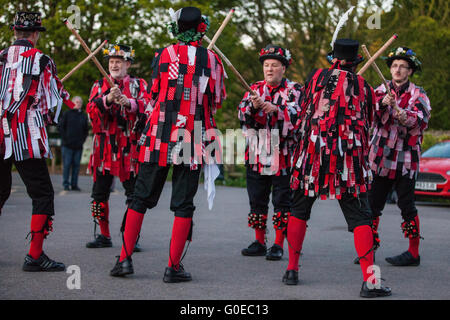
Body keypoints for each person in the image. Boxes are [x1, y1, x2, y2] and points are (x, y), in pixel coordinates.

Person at [109, 6, 226, 283]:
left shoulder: (162, 55)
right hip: (193, 137)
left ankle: (124, 260)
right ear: (201, 29)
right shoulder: (212, 59)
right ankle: (173, 267)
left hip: (159, 134)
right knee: (183, 204)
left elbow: (153, 94)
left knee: (140, 197)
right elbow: (217, 100)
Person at [285, 39, 391, 298]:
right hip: (348, 160)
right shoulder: (364, 88)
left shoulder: (314, 77)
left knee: (299, 209)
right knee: (360, 218)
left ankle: (291, 269)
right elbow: (370, 121)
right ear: (356, 63)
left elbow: (304, 109)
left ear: (333, 58)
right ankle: (371, 282)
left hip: (311, 154)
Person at [0, 11, 73, 271]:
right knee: (42, 193)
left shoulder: (0, 57)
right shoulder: (42, 60)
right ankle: (34, 256)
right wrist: (58, 92)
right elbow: (48, 105)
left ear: (15, 32)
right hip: (24, 136)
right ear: (35, 35)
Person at [238, 45, 302, 260]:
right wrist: (253, 108)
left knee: (282, 200)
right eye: (266, 65)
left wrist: (277, 109)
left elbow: (300, 118)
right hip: (257, 152)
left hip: (284, 154)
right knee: (257, 198)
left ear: (284, 68)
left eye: (275, 65)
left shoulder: (295, 90)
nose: (270, 69)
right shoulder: (253, 89)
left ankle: (278, 243)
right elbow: (242, 117)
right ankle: (258, 240)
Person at [368, 47, 431, 266]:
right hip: (380, 158)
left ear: (410, 71)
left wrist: (405, 115)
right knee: (373, 205)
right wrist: (380, 104)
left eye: (402, 66)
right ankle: (367, 249)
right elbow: (368, 115)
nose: (397, 69)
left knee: (407, 205)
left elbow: (421, 120)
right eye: (394, 65)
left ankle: (413, 253)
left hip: (406, 159)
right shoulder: (379, 90)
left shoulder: (419, 94)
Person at [85, 43, 149, 249]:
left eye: (118, 62)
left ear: (128, 64)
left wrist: (129, 102)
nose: (114, 65)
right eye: (112, 62)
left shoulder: (140, 85)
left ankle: (131, 237)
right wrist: (108, 99)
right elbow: (90, 112)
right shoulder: (98, 85)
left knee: (134, 195)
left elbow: (149, 108)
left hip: (130, 147)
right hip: (104, 147)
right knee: (99, 193)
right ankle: (103, 235)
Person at [58, 96, 89, 191]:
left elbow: (86, 130)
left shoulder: (83, 116)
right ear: (72, 103)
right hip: (67, 145)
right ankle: (66, 184)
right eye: (76, 102)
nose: (78, 104)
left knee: (76, 166)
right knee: (67, 165)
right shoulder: (67, 114)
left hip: (78, 146)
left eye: (80, 102)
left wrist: (82, 141)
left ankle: (74, 184)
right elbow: (61, 127)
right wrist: (65, 139)